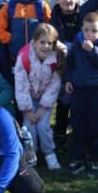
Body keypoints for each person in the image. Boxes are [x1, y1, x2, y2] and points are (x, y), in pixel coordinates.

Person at [64, 12, 98, 178]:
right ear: (82, 29)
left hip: (97, 92)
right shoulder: (77, 41)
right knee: (78, 125)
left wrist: (93, 51)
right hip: (79, 91)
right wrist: (68, 79)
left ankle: (95, 159)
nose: (90, 34)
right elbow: (70, 63)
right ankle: (78, 157)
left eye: (94, 31)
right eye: (86, 30)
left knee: (96, 126)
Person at [13, 24, 66, 170]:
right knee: (29, 127)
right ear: (34, 41)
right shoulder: (24, 57)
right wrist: (28, 110)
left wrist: (43, 108)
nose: (46, 46)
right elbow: (21, 86)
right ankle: (31, 154)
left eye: (50, 43)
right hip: (28, 99)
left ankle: (49, 153)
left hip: (44, 100)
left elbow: (54, 86)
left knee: (43, 126)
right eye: (42, 42)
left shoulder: (56, 59)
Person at [49, 0, 80, 144]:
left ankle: (75, 131)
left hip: (78, 64)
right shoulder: (54, 17)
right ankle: (60, 131)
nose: (67, 0)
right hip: (59, 65)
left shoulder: (81, 15)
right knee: (62, 100)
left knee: (75, 99)